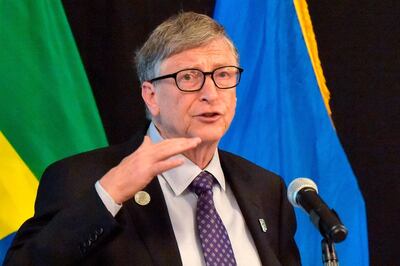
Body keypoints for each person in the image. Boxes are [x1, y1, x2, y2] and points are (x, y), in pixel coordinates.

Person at [4, 12, 300, 266]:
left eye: (222, 75)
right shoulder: (82, 179)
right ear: (151, 96)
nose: (211, 94)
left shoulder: (266, 189)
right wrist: (110, 194)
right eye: (188, 77)